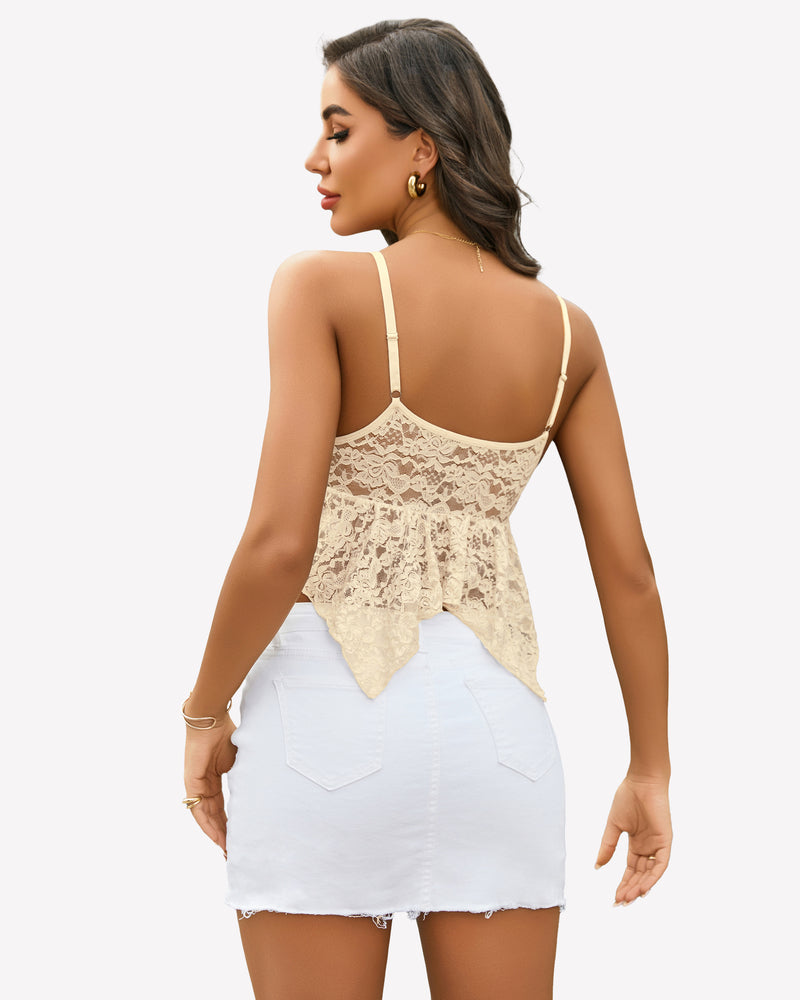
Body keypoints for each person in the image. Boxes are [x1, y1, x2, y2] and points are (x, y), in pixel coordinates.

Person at [182, 18, 672, 1000]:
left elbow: (279, 545)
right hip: (503, 742)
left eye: (339, 129)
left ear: (422, 147)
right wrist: (649, 767)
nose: (314, 158)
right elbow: (628, 573)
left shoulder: (320, 287)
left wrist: (203, 712)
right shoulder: (568, 334)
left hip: (325, 729)